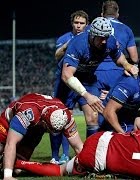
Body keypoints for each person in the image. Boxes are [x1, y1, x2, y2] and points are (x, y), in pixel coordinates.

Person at [53, 17, 138, 139]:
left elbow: (119, 57)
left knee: (94, 116)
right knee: (59, 117)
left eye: (106, 37)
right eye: (101, 38)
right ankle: (56, 157)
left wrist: (127, 65)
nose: (104, 41)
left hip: (87, 78)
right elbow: (67, 75)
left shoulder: (110, 41)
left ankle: (90, 153)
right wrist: (87, 96)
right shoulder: (78, 43)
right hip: (67, 81)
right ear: (92, 35)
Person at [9, 120, 140, 179]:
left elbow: (138, 119)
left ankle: (14, 161)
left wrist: (131, 136)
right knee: (60, 171)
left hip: (101, 138)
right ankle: (20, 163)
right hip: (96, 160)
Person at [0, 93, 83, 179]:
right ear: (44, 121)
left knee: (17, 170)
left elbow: (78, 147)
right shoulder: (28, 112)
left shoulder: (66, 116)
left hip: (35, 129)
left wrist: (89, 166)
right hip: (8, 121)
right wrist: (8, 176)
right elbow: (11, 143)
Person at [50, 9, 89, 165]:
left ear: (87, 25)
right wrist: (67, 45)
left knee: (89, 117)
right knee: (59, 119)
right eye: (76, 22)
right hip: (64, 84)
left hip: (84, 83)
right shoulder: (64, 38)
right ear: (72, 23)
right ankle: (56, 155)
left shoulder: (89, 39)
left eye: (82, 23)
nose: (78, 26)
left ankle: (71, 155)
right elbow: (57, 56)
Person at [101, 51, 140, 133]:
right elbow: (108, 112)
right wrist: (123, 135)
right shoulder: (130, 83)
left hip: (128, 121)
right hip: (111, 125)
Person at [95, 0, 139, 96]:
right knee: (114, 107)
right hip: (117, 71)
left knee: (94, 107)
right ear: (117, 14)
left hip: (95, 71)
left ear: (102, 14)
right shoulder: (126, 29)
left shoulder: (93, 27)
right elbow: (134, 58)